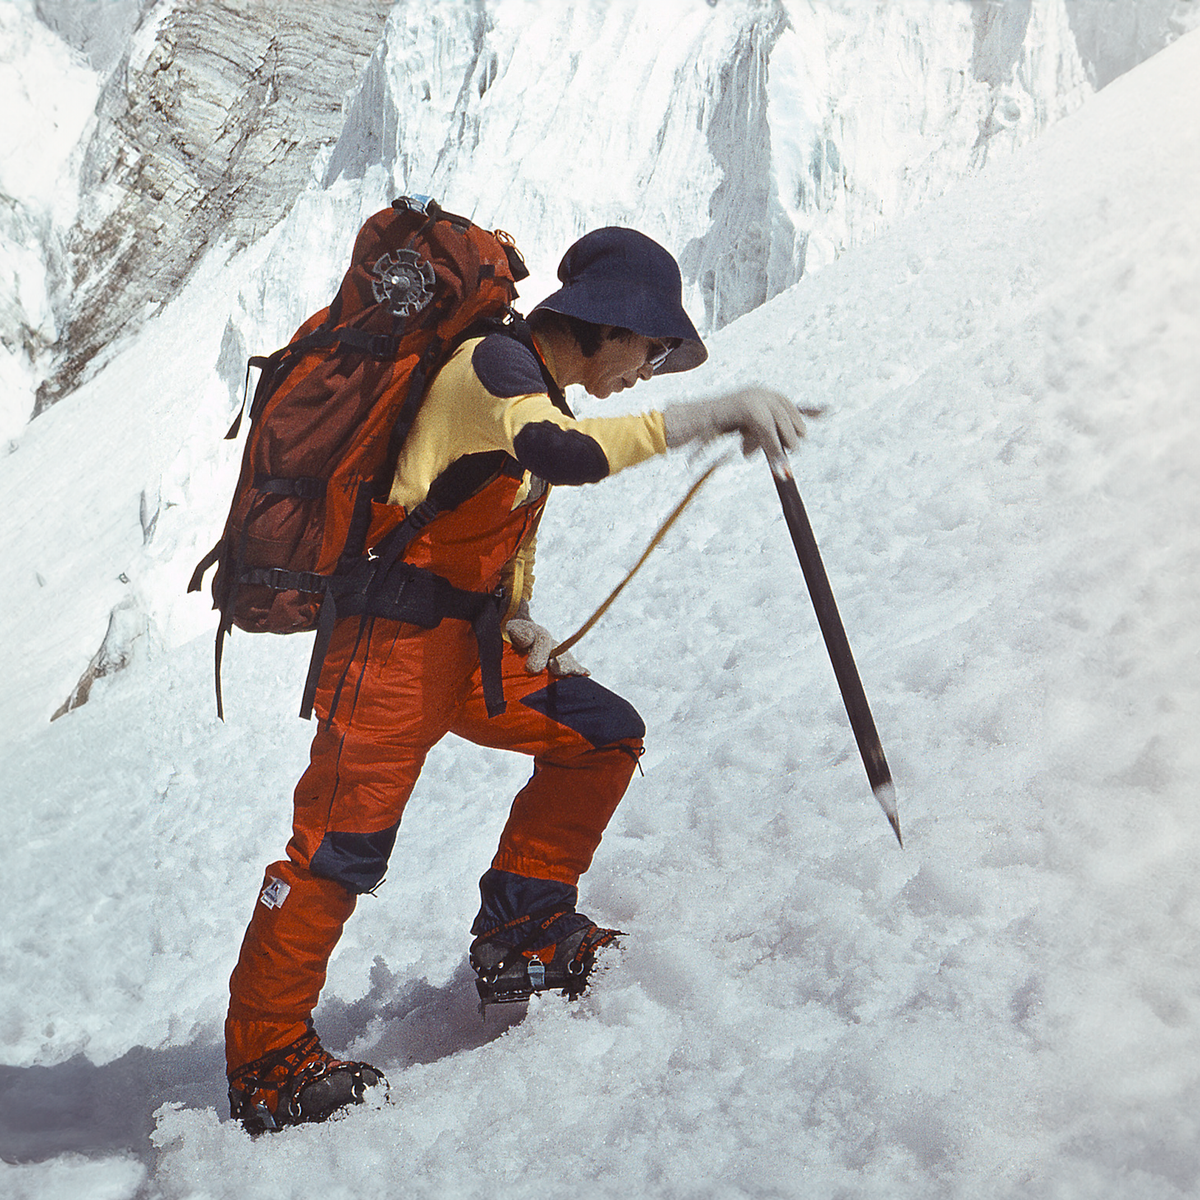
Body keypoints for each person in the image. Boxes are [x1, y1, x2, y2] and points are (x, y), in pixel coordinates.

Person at [223, 224, 807, 1132]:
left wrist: (522, 621)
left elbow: (492, 511)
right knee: (336, 855)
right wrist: (715, 413)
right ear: (608, 325)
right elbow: (559, 458)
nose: (646, 372)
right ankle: (266, 1063)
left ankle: (524, 929)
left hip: (468, 648)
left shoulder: (534, 385)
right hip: (388, 658)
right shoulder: (497, 368)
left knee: (601, 736)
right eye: (650, 350)